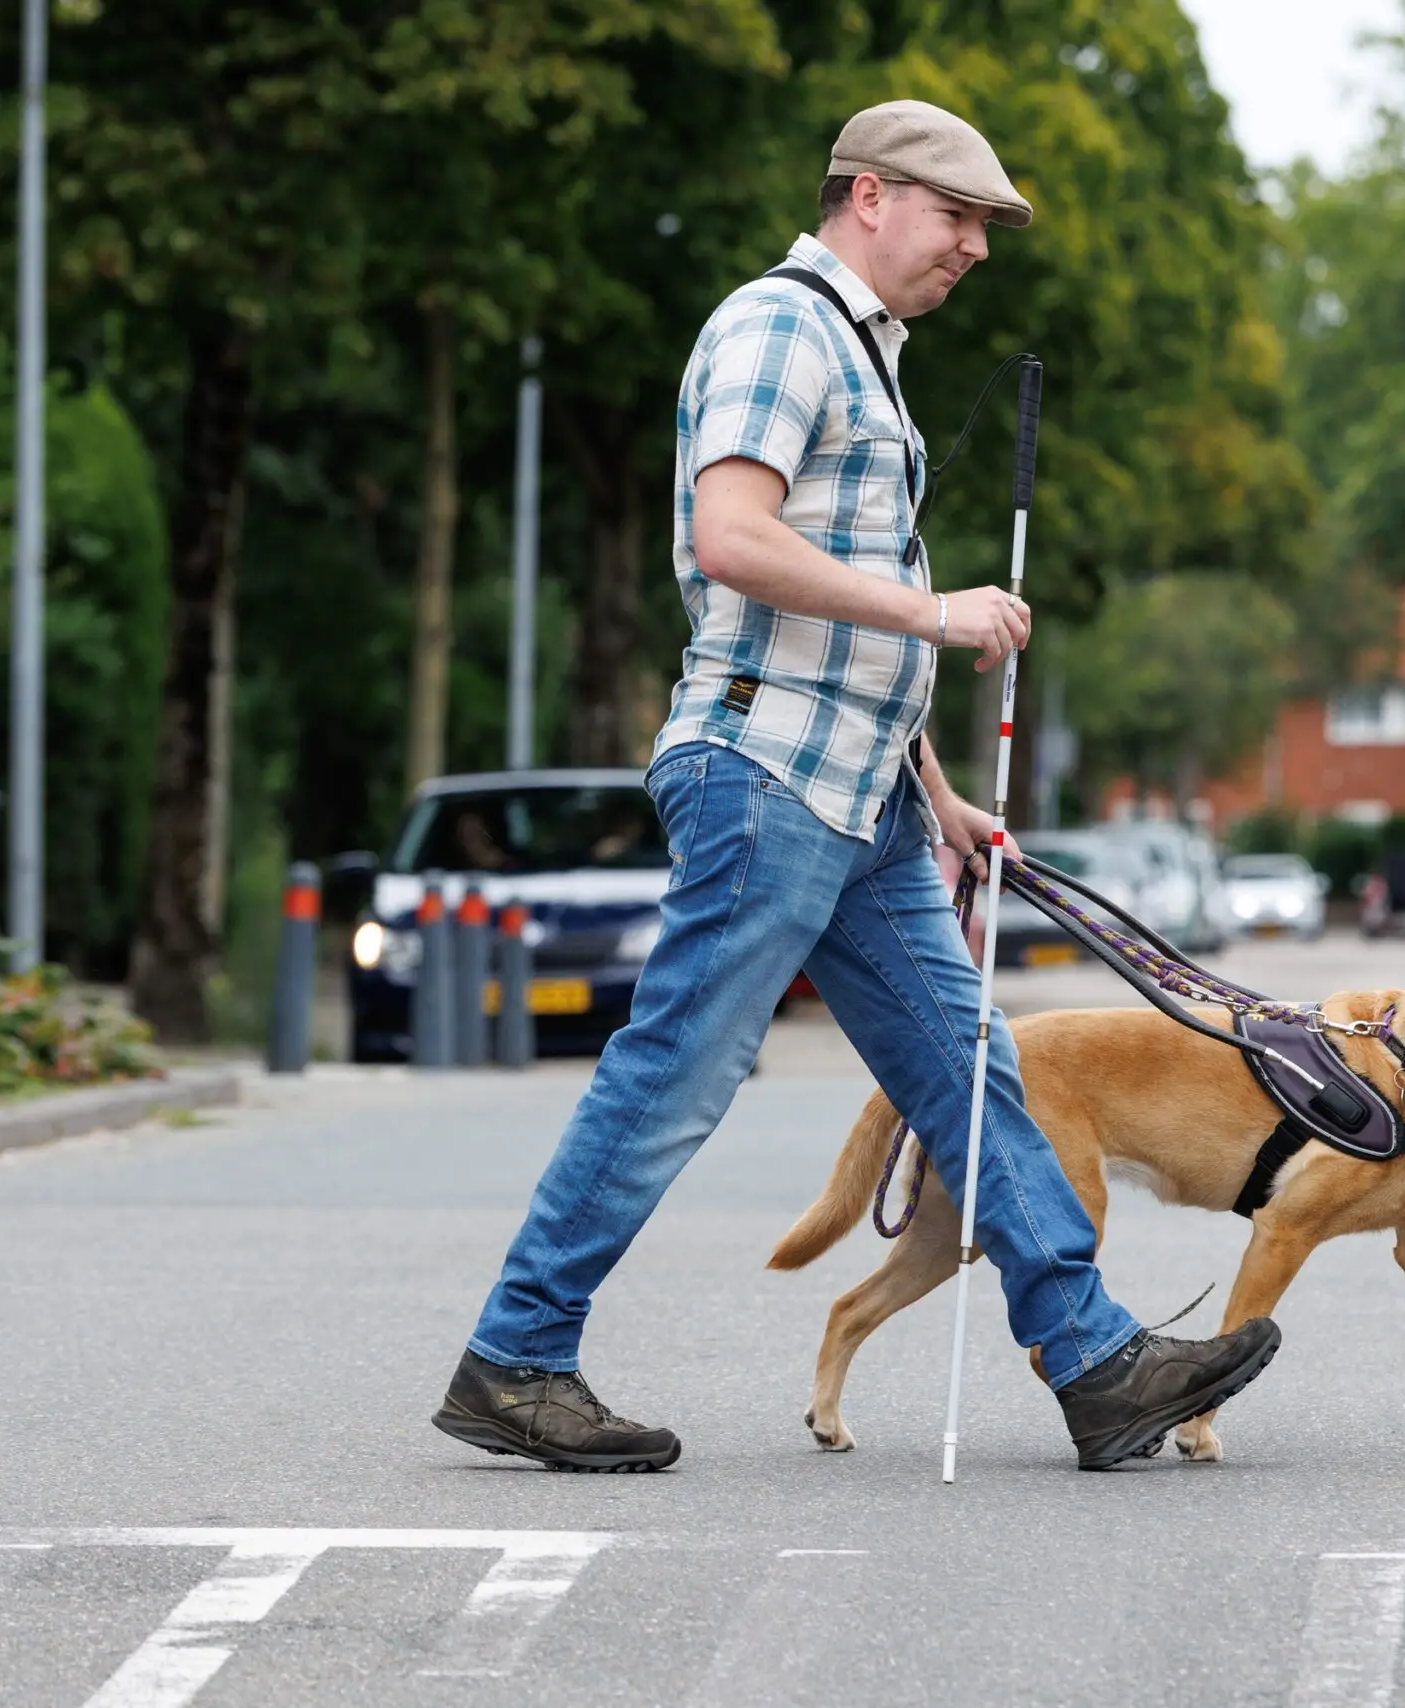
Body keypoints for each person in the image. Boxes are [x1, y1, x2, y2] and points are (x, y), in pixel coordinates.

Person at [432, 100, 1279, 1474]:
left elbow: (844, 623)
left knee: (974, 1074)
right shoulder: (780, 329)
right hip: (763, 775)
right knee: (675, 1074)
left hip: (861, 794)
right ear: (869, 197)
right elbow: (735, 540)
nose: (975, 253)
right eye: (958, 220)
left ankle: (1097, 1364)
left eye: (985, 231)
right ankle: (519, 1354)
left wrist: (932, 786)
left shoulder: (863, 357)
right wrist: (936, 612)